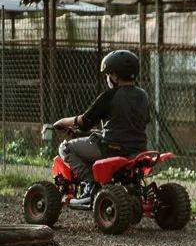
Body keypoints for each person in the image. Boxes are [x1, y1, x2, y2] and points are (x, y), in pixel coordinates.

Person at [53, 50, 150, 206]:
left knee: (65, 148)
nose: (107, 78)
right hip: (138, 150)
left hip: (110, 149)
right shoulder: (143, 95)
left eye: (108, 74)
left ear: (115, 76)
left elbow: (84, 121)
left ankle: (89, 184)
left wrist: (62, 122)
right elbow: (129, 125)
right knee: (95, 137)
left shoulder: (110, 96)